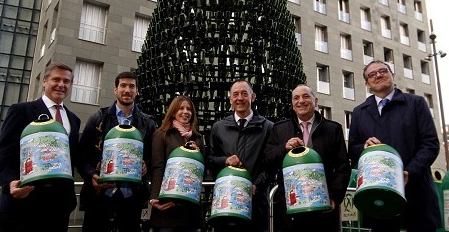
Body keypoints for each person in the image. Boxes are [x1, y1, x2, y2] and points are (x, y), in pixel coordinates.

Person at [347, 61, 442, 232]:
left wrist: (408, 172)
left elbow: (430, 144)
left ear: (392, 75)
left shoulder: (416, 103)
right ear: (367, 83)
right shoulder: (359, 112)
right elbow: (352, 150)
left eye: (383, 71)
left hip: (416, 192)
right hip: (377, 196)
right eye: (372, 74)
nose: (378, 75)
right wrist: (364, 147)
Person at [0, 62, 81, 232]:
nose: (61, 85)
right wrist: (11, 182)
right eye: (56, 79)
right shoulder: (21, 111)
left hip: (58, 207)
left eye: (66, 81)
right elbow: (6, 152)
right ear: (44, 81)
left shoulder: (74, 119)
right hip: (23, 203)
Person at [75, 72, 157, 232]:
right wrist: (92, 175)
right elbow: (81, 156)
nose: (127, 90)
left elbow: (155, 156)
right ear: (115, 89)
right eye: (123, 85)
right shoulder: (97, 119)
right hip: (99, 197)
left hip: (132, 198)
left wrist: (147, 165)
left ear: (137, 91)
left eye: (132, 86)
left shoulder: (148, 123)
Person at [265, 84, 350, 232]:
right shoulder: (279, 129)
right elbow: (267, 161)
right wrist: (283, 148)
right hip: (289, 209)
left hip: (323, 207)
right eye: (296, 98)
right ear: (292, 104)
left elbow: (343, 167)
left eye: (306, 96)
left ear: (315, 101)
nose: (301, 101)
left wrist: (333, 197)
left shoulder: (333, 129)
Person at [208, 79, 274, 231]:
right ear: (230, 98)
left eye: (244, 94)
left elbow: (271, 165)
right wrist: (225, 161)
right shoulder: (218, 128)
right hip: (226, 205)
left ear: (253, 97)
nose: (239, 98)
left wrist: (256, 185)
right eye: (235, 94)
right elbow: (210, 160)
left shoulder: (268, 127)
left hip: (257, 204)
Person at [149, 95, 206, 232]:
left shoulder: (198, 138)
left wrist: (198, 156)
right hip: (167, 207)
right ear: (173, 111)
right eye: (181, 108)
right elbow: (158, 166)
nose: (185, 112)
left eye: (189, 109)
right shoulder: (161, 134)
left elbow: (203, 170)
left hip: (190, 208)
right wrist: (154, 197)